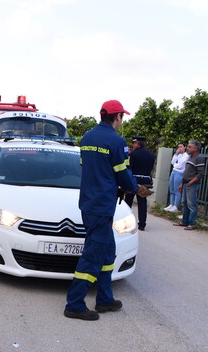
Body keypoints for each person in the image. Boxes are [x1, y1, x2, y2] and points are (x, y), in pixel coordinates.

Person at [64, 100, 152, 321]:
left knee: (107, 251)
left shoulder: (87, 137)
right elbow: (122, 173)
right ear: (117, 117)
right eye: (123, 116)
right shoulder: (116, 141)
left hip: (89, 202)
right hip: (102, 205)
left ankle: (104, 299)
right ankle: (74, 304)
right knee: (93, 254)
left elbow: (91, 169)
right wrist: (136, 189)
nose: (123, 120)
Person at [124, 136, 155, 230]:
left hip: (134, 180)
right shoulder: (151, 155)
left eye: (134, 144)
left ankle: (126, 222)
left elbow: (130, 169)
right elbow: (150, 169)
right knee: (142, 203)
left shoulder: (133, 154)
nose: (133, 146)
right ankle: (142, 224)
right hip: (145, 181)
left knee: (128, 201)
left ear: (137, 144)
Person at [173, 139, 205, 230]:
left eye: (190, 147)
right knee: (185, 203)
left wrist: (191, 182)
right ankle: (184, 221)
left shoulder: (199, 158)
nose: (188, 148)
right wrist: (182, 184)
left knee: (191, 204)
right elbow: (186, 172)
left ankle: (192, 223)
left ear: (196, 149)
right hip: (185, 183)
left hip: (192, 185)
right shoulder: (190, 158)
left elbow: (200, 174)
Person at [164, 142, 189, 212]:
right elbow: (172, 162)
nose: (179, 148)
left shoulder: (186, 156)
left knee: (177, 190)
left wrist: (176, 164)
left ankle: (175, 206)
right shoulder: (179, 155)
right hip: (174, 172)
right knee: (171, 189)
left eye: (181, 147)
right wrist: (176, 154)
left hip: (180, 173)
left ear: (185, 147)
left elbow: (180, 165)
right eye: (178, 147)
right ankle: (171, 204)